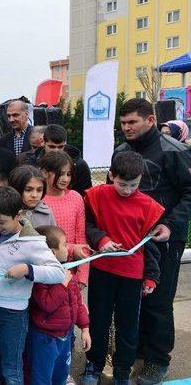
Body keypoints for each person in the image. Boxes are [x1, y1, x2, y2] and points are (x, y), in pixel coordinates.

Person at [112, 97, 191, 384]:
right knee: (132, 298)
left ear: (150, 120)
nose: (127, 128)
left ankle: (158, 360)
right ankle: (138, 351)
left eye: (132, 122)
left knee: (158, 300)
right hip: (130, 241)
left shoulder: (176, 152)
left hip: (164, 239)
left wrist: (170, 225)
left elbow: (189, 193)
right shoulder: (120, 151)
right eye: (122, 123)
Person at [81, 151, 165, 385]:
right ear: (110, 175)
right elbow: (86, 224)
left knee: (128, 325)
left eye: (133, 185)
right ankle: (94, 364)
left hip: (132, 275)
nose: (127, 190)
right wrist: (101, 239)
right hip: (103, 270)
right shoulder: (96, 195)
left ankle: (121, 371)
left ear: (141, 180)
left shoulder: (148, 206)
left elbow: (150, 245)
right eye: (122, 184)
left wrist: (151, 276)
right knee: (98, 320)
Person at [0, 186, 65, 385]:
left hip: (12, 314)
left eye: (2, 222)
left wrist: (27, 269)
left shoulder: (33, 241)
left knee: (11, 368)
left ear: (19, 215)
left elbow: (58, 272)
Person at [28, 226, 91, 385]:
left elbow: (77, 301)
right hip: (45, 339)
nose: (68, 248)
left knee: (61, 375)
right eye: (64, 244)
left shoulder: (67, 271)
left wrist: (85, 328)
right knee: (42, 377)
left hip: (65, 336)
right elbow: (47, 304)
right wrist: (62, 285)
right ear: (52, 252)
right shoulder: (41, 275)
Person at [41, 151, 88, 288]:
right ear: (44, 172)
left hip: (70, 269)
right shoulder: (38, 199)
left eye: (68, 174)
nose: (65, 179)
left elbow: (81, 237)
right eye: (60, 174)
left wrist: (82, 276)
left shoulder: (76, 198)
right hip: (45, 268)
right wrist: (73, 249)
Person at [17, 124, 93, 196]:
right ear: (43, 142)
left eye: (60, 147)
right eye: (52, 147)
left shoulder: (78, 165)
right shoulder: (31, 163)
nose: (56, 151)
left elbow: (86, 195)